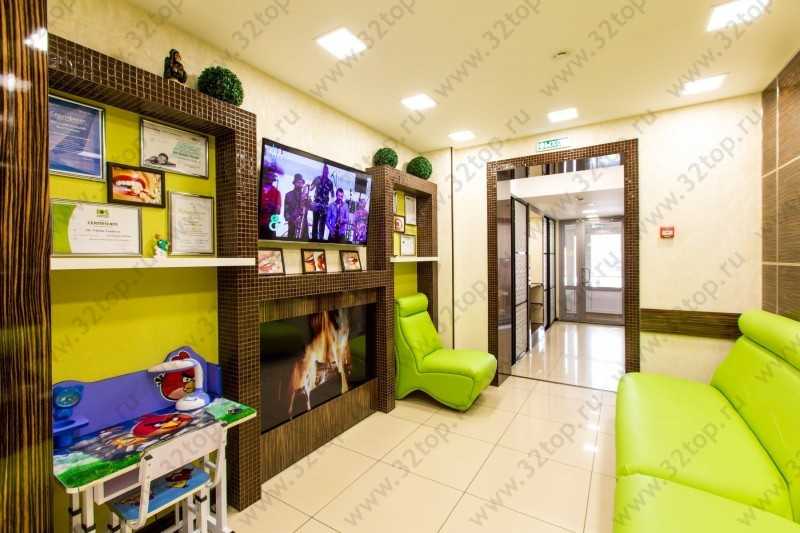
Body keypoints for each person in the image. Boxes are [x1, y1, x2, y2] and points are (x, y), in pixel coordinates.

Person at [310, 163, 334, 241]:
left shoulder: (330, 182)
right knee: (315, 222)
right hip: (316, 205)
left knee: (322, 224)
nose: (325, 172)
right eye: (324, 171)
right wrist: (314, 184)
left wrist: (330, 205)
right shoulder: (317, 178)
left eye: (326, 171)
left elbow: (332, 195)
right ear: (322, 171)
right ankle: (314, 239)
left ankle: (320, 240)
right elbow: (311, 189)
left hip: (325, 206)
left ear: (328, 172)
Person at [260, 161, 283, 239]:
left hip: (269, 226)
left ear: (274, 178)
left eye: (272, 175)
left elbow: (278, 211)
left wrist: (273, 207)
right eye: (268, 174)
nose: (270, 177)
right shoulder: (258, 188)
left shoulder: (277, 192)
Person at [284, 173, 309, 240]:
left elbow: (310, 208)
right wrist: (293, 219)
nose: (300, 184)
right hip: (292, 224)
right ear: (294, 183)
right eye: (298, 182)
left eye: (301, 183)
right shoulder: (288, 195)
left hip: (303, 226)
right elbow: (286, 212)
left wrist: (308, 202)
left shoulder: (306, 196)